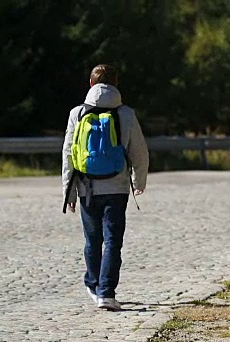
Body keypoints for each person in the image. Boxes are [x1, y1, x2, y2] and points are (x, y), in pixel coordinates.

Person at [62, 64, 149, 311]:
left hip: (86, 187)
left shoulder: (76, 113)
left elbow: (68, 153)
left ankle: (92, 283)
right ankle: (106, 293)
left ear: (90, 84)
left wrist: (67, 191)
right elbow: (140, 152)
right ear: (116, 85)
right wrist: (138, 181)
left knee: (92, 240)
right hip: (117, 187)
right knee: (113, 240)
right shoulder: (126, 114)